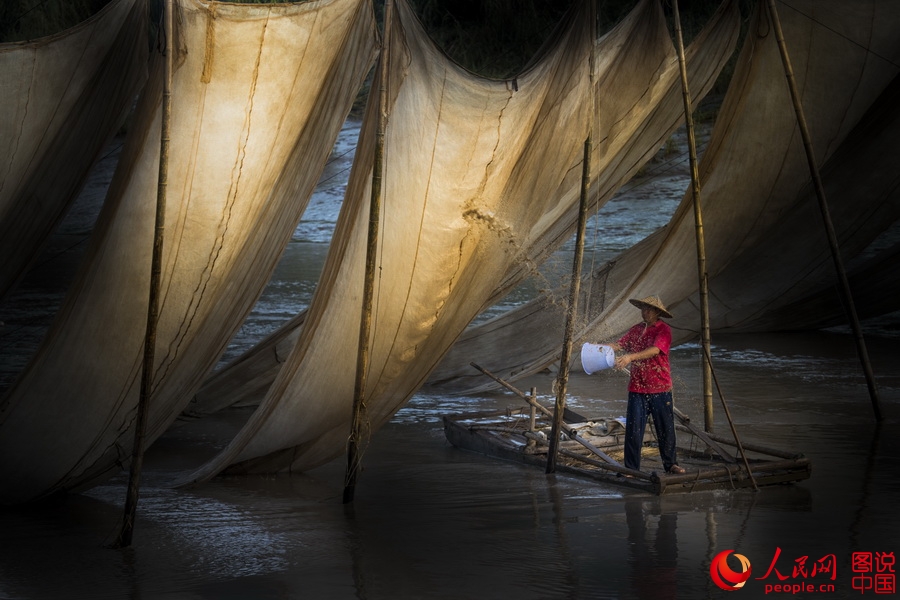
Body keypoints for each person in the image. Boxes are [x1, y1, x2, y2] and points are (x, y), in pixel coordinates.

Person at [607, 296, 685, 475]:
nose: (645, 312)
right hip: (637, 388)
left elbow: (655, 350)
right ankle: (631, 468)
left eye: (649, 309)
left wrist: (630, 357)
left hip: (660, 388)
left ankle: (671, 464)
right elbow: (620, 344)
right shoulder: (636, 329)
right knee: (633, 430)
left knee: (665, 428)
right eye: (643, 308)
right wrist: (601, 347)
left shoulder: (663, 330)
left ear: (657, 312)